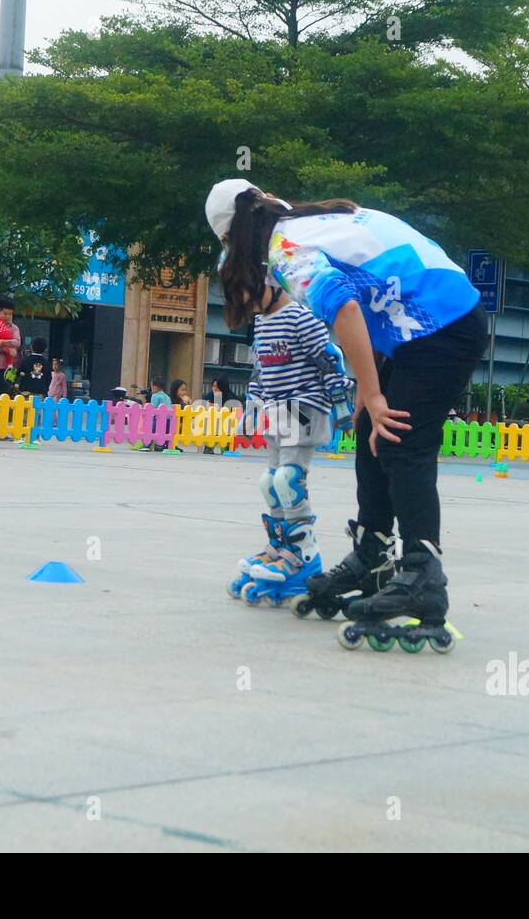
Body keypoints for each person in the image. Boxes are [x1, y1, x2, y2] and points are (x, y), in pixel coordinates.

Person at [208, 178, 485, 647]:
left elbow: (349, 311)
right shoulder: (316, 219)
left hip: (444, 327)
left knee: (402, 441)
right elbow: (379, 296)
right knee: (368, 430)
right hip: (422, 322)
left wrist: (377, 397)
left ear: (231, 239)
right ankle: (373, 554)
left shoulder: (287, 249)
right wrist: (367, 393)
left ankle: (423, 578)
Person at [226, 282, 353, 607]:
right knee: (269, 482)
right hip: (276, 410)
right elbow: (261, 371)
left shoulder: (300, 316)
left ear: (266, 280)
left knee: (288, 479)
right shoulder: (262, 321)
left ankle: (304, 556)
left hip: (306, 406)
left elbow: (330, 359)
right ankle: (283, 550)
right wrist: (252, 409)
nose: (244, 301)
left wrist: (341, 405)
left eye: (245, 291)